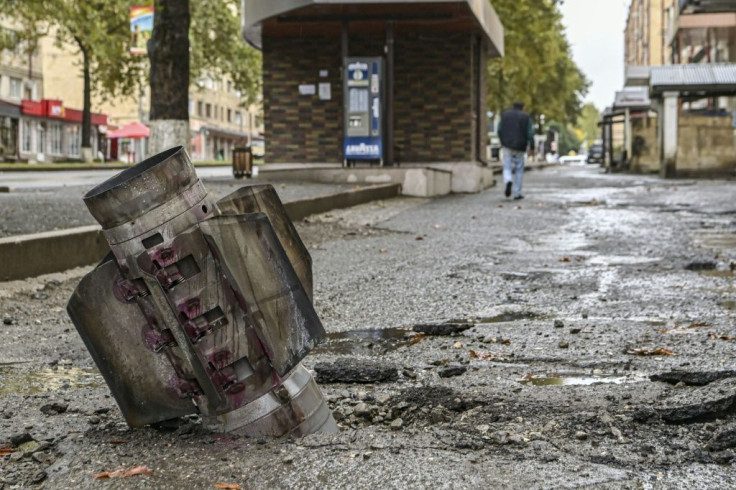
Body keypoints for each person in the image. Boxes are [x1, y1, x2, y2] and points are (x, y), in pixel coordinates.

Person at [498, 102, 535, 200]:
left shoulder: (505, 115)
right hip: (520, 145)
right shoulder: (526, 117)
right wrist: (532, 146)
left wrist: (502, 141)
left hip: (507, 144)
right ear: (522, 107)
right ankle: (517, 193)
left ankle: (508, 180)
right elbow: (530, 133)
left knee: (507, 166)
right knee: (519, 169)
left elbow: (499, 129)